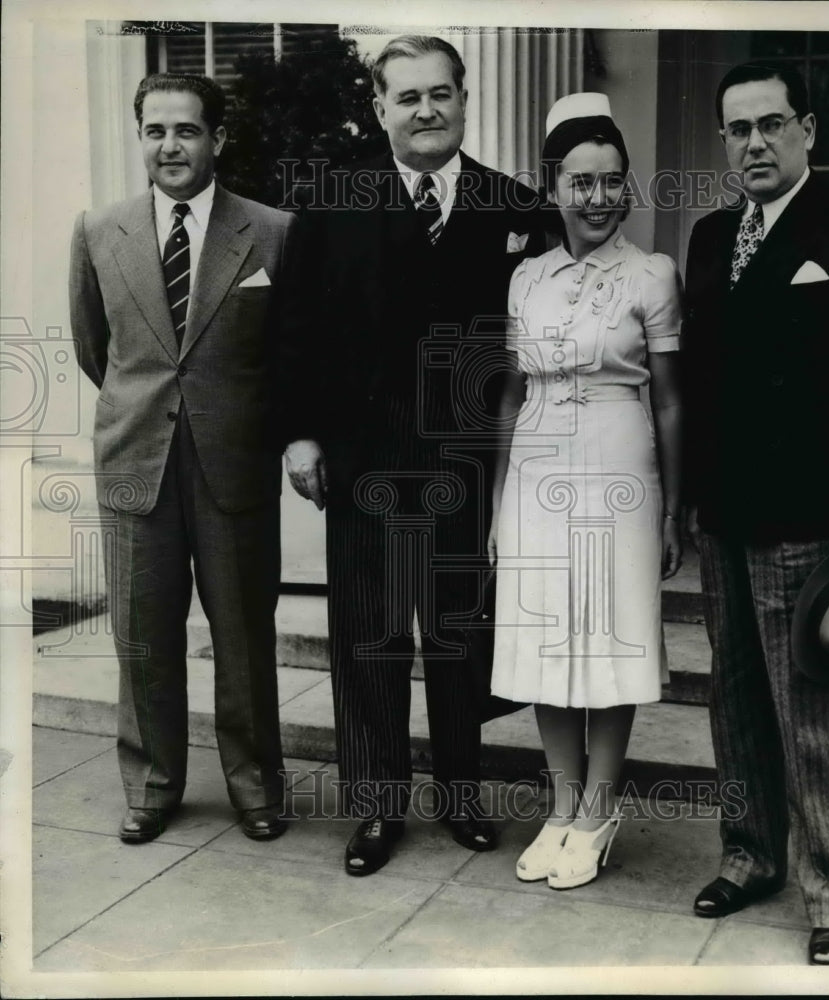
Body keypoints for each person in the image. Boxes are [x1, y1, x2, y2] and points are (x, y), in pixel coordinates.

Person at [282, 35, 543, 876]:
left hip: (467, 458)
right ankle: (375, 806)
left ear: (463, 99)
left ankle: (463, 794)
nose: (426, 110)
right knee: (371, 634)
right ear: (379, 109)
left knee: (458, 634)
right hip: (364, 455)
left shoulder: (514, 208)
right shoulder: (332, 204)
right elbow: (297, 330)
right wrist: (301, 433)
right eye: (408, 97)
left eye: (440, 93)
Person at [682, 62, 829, 964]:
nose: (754, 143)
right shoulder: (710, 237)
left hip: (811, 515)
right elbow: (702, 379)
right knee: (735, 703)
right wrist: (690, 499)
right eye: (737, 129)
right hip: (724, 512)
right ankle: (750, 857)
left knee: (818, 711)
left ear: (807, 131)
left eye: (770, 124)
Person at [69, 73, 295, 844]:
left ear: (217, 139)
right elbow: (96, 350)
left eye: (187, 130)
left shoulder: (272, 232)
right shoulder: (98, 230)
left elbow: (284, 354)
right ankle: (151, 785)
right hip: (137, 458)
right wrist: (148, 407)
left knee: (244, 636)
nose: (171, 145)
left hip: (234, 464)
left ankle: (256, 786)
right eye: (156, 130)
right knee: (142, 637)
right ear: (140, 137)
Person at [487, 93, 684, 890]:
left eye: (610, 181)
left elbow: (668, 399)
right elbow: (508, 394)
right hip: (535, 466)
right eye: (580, 181)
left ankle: (599, 811)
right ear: (554, 187)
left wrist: (671, 507)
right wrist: (499, 500)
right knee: (546, 635)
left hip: (618, 461)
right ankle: (561, 805)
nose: (597, 198)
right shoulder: (525, 277)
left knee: (606, 634)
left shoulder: (651, 273)